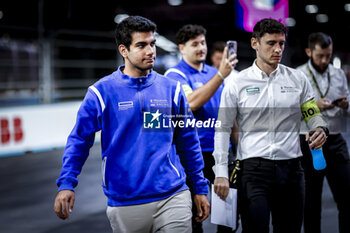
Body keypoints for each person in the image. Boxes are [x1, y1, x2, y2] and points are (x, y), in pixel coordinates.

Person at [53, 16, 210, 233]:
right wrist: (67, 183)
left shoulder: (172, 90)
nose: (151, 51)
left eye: (153, 44)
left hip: (173, 195)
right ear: (124, 50)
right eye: (141, 45)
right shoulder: (101, 93)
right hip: (125, 202)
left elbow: (188, 140)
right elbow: (79, 140)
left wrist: (199, 187)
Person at [213, 18, 329, 233]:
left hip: (293, 169)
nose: (278, 49)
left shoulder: (298, 79)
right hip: (253, 170)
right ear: (255, 43)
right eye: (271, 43)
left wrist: (319, 128)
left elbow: (312, 113)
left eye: (281, 43)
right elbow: (222, 129)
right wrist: (220, 171)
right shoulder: (237, 83)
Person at [164, 25, 237, 233]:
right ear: (181, 48)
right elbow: (191, 103)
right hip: (192, 155)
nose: (201, 48)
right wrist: (221, 76)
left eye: (203, 42)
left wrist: (237, 149)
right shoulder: (174, 75)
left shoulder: (213, 73)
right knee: (195, 216)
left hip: (221, 154)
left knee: (228, 215)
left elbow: (229, 113)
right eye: (194, 44)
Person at [297, 32, 350, 233]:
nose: (325, 60)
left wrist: (345, 105)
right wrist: (314, 106)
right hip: (310, 143)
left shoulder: (338, 74)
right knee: (311, 201)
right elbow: (290, 112)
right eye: (320, 56)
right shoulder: (298, 75)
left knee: (346, 198)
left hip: (336, 141)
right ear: (309, 51)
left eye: (328, 55)